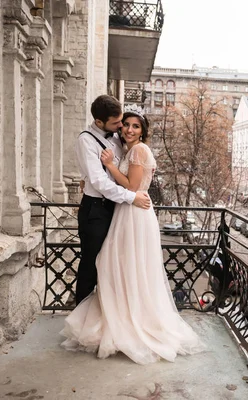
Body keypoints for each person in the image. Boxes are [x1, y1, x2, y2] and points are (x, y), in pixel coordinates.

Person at [61, 108, 205, 363]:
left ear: (143, 131)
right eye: (125, 124)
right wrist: (91, 177)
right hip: (126, 211)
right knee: (120, 265)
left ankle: (131, 318)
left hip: (134, 212)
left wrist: (108, 166)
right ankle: (122, 313)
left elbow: (132, 186)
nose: (128, 129)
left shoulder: (139, 150)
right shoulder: (128, 148)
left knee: (125, 265)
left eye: (135, 126)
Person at [74, 95, 151, 305]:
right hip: (96, 210)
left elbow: (129, 167)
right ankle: (81, 313)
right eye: (118, 123)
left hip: (118, 209)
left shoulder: (119, 137)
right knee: (92, 263)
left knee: (114, 263)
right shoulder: (86, 140)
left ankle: (110, 310)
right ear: (99, 122)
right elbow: (99, 181)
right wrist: (131, 197)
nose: (122, 127)